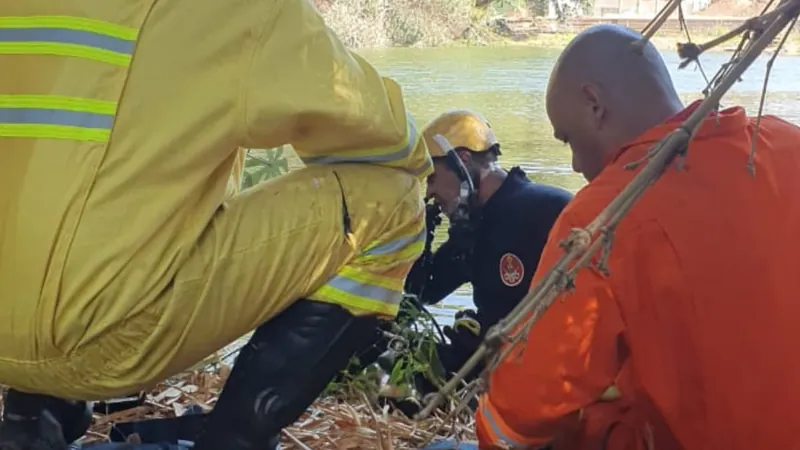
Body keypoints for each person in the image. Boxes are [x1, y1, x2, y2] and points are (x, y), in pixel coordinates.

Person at [0, 1, 432, 449]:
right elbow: (372, 129)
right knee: (393, 203)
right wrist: (425, 165)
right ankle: (233, 440)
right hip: (100, 333)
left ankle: (29, 422)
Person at [474, 24, 800, 450]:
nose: (573, 165)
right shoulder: (782, 143)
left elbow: (517, 419)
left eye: (568, 139)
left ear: (594, 104)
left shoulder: (603, 217)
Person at [401, 109, 573, 391]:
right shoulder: (473, 227)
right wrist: (421, 235)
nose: (429, 192)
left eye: (432, 178)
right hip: (496, 362)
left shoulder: (546, 210)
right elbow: (423, 293)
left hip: (544, 370)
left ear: (464, 160)